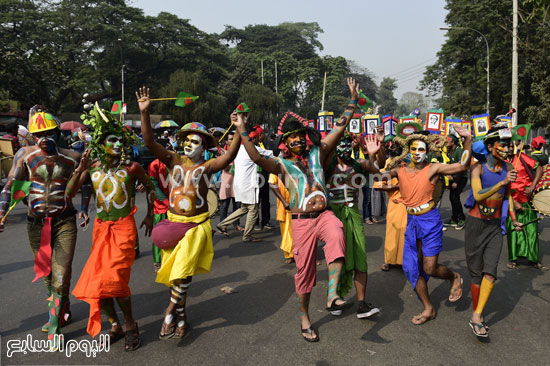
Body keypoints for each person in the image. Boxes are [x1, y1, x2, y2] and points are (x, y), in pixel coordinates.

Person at [235, 77, 359, 342]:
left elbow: (340, 125)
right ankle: (304, 317)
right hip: (301, 222)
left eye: (301, 136)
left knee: (337, 234)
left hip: (324, 214)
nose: (298, 141)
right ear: (284, 143)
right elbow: (256, 157)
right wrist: (242, 129)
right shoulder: (280, 164)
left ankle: (333, 295)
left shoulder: (319, 152)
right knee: (305, 274)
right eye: (292, 139)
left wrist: (352, 100)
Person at [137, 87, 241, 340]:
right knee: (178, 277)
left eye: (195, 141)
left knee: (183, 273)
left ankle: (170, 311)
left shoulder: (207, 166)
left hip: (195, 226)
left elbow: (230, 155)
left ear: (203, 146)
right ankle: (182, 319)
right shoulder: (172, 159)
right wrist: (145, 112)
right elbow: (149, 142)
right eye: (186, 140)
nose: (188, 144)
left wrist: (239, 130)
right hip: (171, 223)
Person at [0, 106, 89, 348]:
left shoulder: (72, 156)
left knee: (61, 270)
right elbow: (10, 184)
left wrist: (84, 208)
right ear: (32, 136)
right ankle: (62, 307)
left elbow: (86, 183)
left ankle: (54, 326)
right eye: (38, 135)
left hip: (65, 221)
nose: (43, 139)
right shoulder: (25, 155)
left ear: (58, 133)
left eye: (49, 133)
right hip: (36, 223)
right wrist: (2, 213)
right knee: (47, 273)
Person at [68, 103, 154, 351]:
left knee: (115, 279)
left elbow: (150, 187)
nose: (117, 144)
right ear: (100, 144)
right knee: (98, 284)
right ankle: (114, 324)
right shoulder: (92, 168)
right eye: (111, 140)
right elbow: (69, 192)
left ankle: (130, 325)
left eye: (120, 141)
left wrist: (149, 215)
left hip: (124, 229)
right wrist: (80, 170)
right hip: (100, 229)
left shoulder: (132, 168)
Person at [385, 125, 472, 325]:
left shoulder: (434, 168)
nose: (417, 153)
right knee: (411, 268)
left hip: (430, 221)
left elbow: (463, 166)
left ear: (428, 151)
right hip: (412, 222)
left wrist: (467, 139)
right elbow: (377, 175)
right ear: (408, 149)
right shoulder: (400, 169)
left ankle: (454, 277)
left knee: (430, 268)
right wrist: (375, 155)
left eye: (421, 149)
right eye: (414, 149)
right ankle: (428, 308)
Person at [463, 126, 521, 337]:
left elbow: (508, 197)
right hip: (475, 225)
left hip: (495, 226)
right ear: (490, 146)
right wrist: (503, 183)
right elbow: (478, 195)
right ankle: (476, 313)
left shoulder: (509, 167)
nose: (507, 149)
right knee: (476, 275)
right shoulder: (477, 168)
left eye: (509, 145)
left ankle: (477, 316)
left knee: (491, 272)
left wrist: (513, 219)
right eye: (503, 145)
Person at [325, 132, 384, 319]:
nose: (344, 146)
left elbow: (377, 170)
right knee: (339, 256)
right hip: (335, 215)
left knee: (360, 256)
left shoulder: (357, 164)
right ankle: (336, 298)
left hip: (354, 214)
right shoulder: (327, 165)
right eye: (340, 143)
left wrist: (375, 152)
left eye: (347, 143)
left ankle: (361, 304)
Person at [216, 126, 273, 241]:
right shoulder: (253, 149)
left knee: (244, 209)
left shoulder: (238, 149)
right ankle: (247, 235)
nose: (258, 140)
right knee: (253, 210)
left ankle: (222, 224)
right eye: (257, 138)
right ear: (253, 139)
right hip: (249, 185)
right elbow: (271, 154)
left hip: (239, 184)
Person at [507, 141, 546, 270]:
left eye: (512, 146)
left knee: (532, 231)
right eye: (508, 146)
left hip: (527, 200)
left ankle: (533, 259)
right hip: (510, 201)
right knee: (513, 231)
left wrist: (533, 185)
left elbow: (539, 168)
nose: (510, 149)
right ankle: (513, 259)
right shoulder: (500, 163)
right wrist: (513, 202)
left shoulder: (522, 158)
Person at [374, 140, 407, 271]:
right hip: (394, 202)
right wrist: (396, 186)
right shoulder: (386, 166)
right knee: (392, 232)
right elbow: (377, 186)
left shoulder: (406, 166)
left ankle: (404, 260)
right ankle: (389, 260)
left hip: (408, 203)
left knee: (406, 233)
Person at [218, 131, 244, 233]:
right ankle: (222, 225)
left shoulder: (239, 151)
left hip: (237, 182)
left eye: (234, 138)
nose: (232, 140)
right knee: (224, 206)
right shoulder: (223, 152)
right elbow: (223, 166)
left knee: (237, 206)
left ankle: (236, 224)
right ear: (226, 141)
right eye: (230, 139)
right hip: (227, 182)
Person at [148, 157, 170, 273]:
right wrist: (167, 203)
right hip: (161, 207)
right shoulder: (154, 165)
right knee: (159, 236)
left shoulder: (174, 161)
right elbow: (155, 187)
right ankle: (157, 262)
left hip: (175, 205)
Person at [443, 135, 468, 230]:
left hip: (460, 178)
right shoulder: (449, 151)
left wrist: (456, 181)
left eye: (447, 142)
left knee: (455, 197)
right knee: (452, 198)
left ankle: (461, 219)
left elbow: (461, 168)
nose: (445, 143)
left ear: (453, 142)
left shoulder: (459, 151)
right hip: (453, 178)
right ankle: (454, 218)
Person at [269, 173, 294, 263]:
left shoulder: (297, 163)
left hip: (297, 204)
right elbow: (272, 183)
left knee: (303, 231)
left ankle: (306, 255)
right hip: (284, 206)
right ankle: (289, 255)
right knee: (285, 231)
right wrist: (284, 202)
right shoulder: (276, 165)